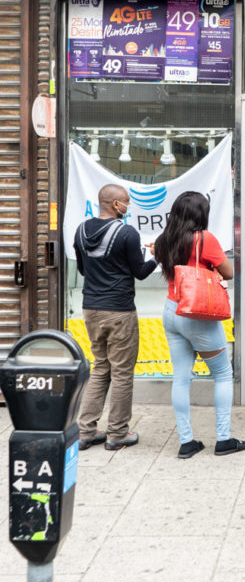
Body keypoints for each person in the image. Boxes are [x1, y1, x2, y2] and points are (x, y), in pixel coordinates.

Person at [154, 191, 245, 458]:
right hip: (197, 313)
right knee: (222, 374)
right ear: (201, 214)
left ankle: (186, 442)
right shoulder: (204, 239)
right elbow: (229, 272)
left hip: (172, 310)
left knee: (181, 378)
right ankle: (224, 439)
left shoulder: (164, 240)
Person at [75, 184, 157, 451]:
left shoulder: (80, 231)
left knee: (100, 368)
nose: (128, 206)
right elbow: (141, 272)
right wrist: (156, 256)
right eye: (126, 202)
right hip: (120, 311)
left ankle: (85, 431)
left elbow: (82, 269)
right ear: (115, 204)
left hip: (91, 309)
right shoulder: (126, 233)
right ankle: (117, 433)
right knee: (121, 373)